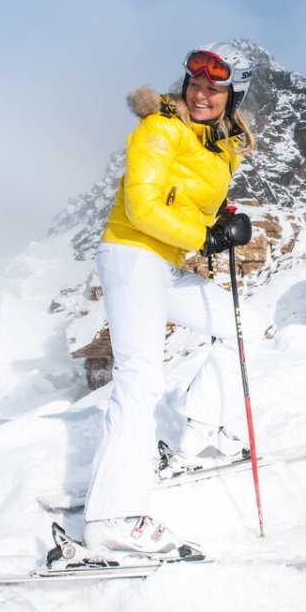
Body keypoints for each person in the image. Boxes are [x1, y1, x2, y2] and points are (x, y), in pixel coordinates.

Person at [82, 43, 259, 557]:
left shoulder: (219, 145)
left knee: (236, 323)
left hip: (164, 263)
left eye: (215, 87)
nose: (202, 93)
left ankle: (200, 434)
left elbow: (187, 194)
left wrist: (219, 216)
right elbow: (142, 206)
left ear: (232, 94)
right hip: (133, 253)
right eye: (196, 84)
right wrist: (205, 237)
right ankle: (112, 516)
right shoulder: (159, 128)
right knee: (139, 377)